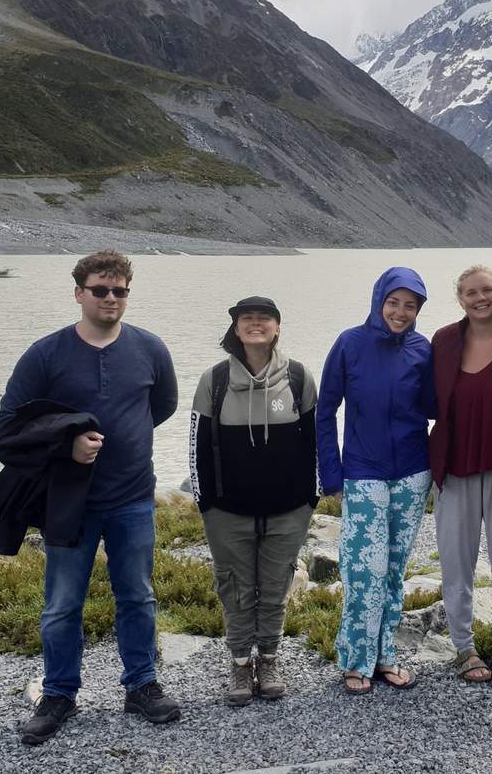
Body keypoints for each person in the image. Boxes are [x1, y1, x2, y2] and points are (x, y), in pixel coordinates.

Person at [0, 250, 181, 746]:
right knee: (61, 604)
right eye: (100, 289)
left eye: (119, 290)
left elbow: (160, 407)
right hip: (68, 502)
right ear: (79, 292)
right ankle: (58, 693)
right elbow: (10, 426)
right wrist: (68, 445)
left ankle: (141, 686)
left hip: (133, 497)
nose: (110, 298)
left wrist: (127, 439)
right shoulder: (46, 354)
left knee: (138, 596)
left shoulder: (150, 349)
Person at [189, 296, 319, 706]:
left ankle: (269, 659)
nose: (256, 324)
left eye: (265, 319)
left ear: (278, 327)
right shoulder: (215, 380)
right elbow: (196, 447)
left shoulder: (298, 378)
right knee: (236, 589)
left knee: (275, 587)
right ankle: (240, 664)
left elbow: (316, 443)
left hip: (288, 509)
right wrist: (205, 503)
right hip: (228, 511)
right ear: (236, 328)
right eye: (247, 319)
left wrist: (310, 499)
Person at [317, 267, 435, 694]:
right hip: (363, 472)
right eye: (393, 302)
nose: (400, 312)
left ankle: (384, 656)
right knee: (364, 570)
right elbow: (324, 410)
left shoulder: (423, 349)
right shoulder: (350, 344)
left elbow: (440, 407)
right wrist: (331, 472)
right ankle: (355, 659)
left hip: (412, 472)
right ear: (378, 300)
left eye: (410, 305)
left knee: (393, 572)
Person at [428, 265, 492, 685]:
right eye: (471, 292)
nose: (480, 297)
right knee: (456, 562)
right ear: (460, 299)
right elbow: (424, 399)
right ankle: (464, 647)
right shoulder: (445, 341)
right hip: (455, 468)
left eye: (487, 289)